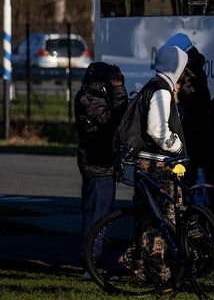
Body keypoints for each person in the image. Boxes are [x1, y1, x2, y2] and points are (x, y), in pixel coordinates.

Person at [74, 61, 128, 276]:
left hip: (101, 162)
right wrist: (119, 91)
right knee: (97, 218)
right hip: (97, 164)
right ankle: (91, 266)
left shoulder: (92, 96)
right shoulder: (90, 99)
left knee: (99, 216)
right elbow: (114, 120)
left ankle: (93, 264)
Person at [158, 33, 213, 202]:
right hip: (195, 129)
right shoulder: (197, 70)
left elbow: (191, 101)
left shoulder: (191, 73)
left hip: (191, 132)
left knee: (189, 177)